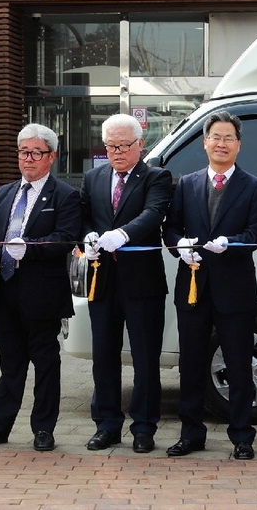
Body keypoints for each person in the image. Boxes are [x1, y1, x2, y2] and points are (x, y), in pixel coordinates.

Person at [161, 111, 257, 460]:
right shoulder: (187, 184)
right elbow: (171, 229)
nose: (221, 144)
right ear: (205, 142)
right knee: (191, 364)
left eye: (228, 138)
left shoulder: (255, 187)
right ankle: (191, 433)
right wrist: (180, 247)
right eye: (215, 137)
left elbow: (256, 234)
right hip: (193, 286)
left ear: (238, 145)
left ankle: (242, 436)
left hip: (234, 289)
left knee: (238, 365)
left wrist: (230, 243)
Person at [0, 124, 80, 452]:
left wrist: (29, 246)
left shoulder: (65, 195)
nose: (28, 159)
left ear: (52, 156)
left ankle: (43, 428)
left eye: (36, 153)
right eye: (23, 152)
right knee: (10, 362)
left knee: (45, 363)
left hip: (42, 294)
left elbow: (65, 237)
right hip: (6, 291)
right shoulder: (6, 192)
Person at [79, 113, 173, 454]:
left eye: (124, 146)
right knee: (103, 355)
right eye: (110, 146)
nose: (117, 152)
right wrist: (87, 235)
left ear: (140, 145)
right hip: (102, 281)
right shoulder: (93, 177)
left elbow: (153, 214)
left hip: (142, 282)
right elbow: (84, 214)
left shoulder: (156, 177)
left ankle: (144, 427)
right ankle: (106, 425)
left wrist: (123, 233)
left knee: (145, 357)